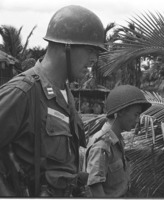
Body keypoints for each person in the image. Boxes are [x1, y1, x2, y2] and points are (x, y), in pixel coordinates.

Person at [0, 5, 106, 197]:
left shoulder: (65, 95)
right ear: (66, 46)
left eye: (97, 53)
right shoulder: (23, 92)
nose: (94, 59)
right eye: (90, 50)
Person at [83, 85, 151, 197]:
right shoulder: (102, 145)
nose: (138, 120)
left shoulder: (116, 141)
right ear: (120, 112)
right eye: (136, 114)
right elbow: (95, 188)